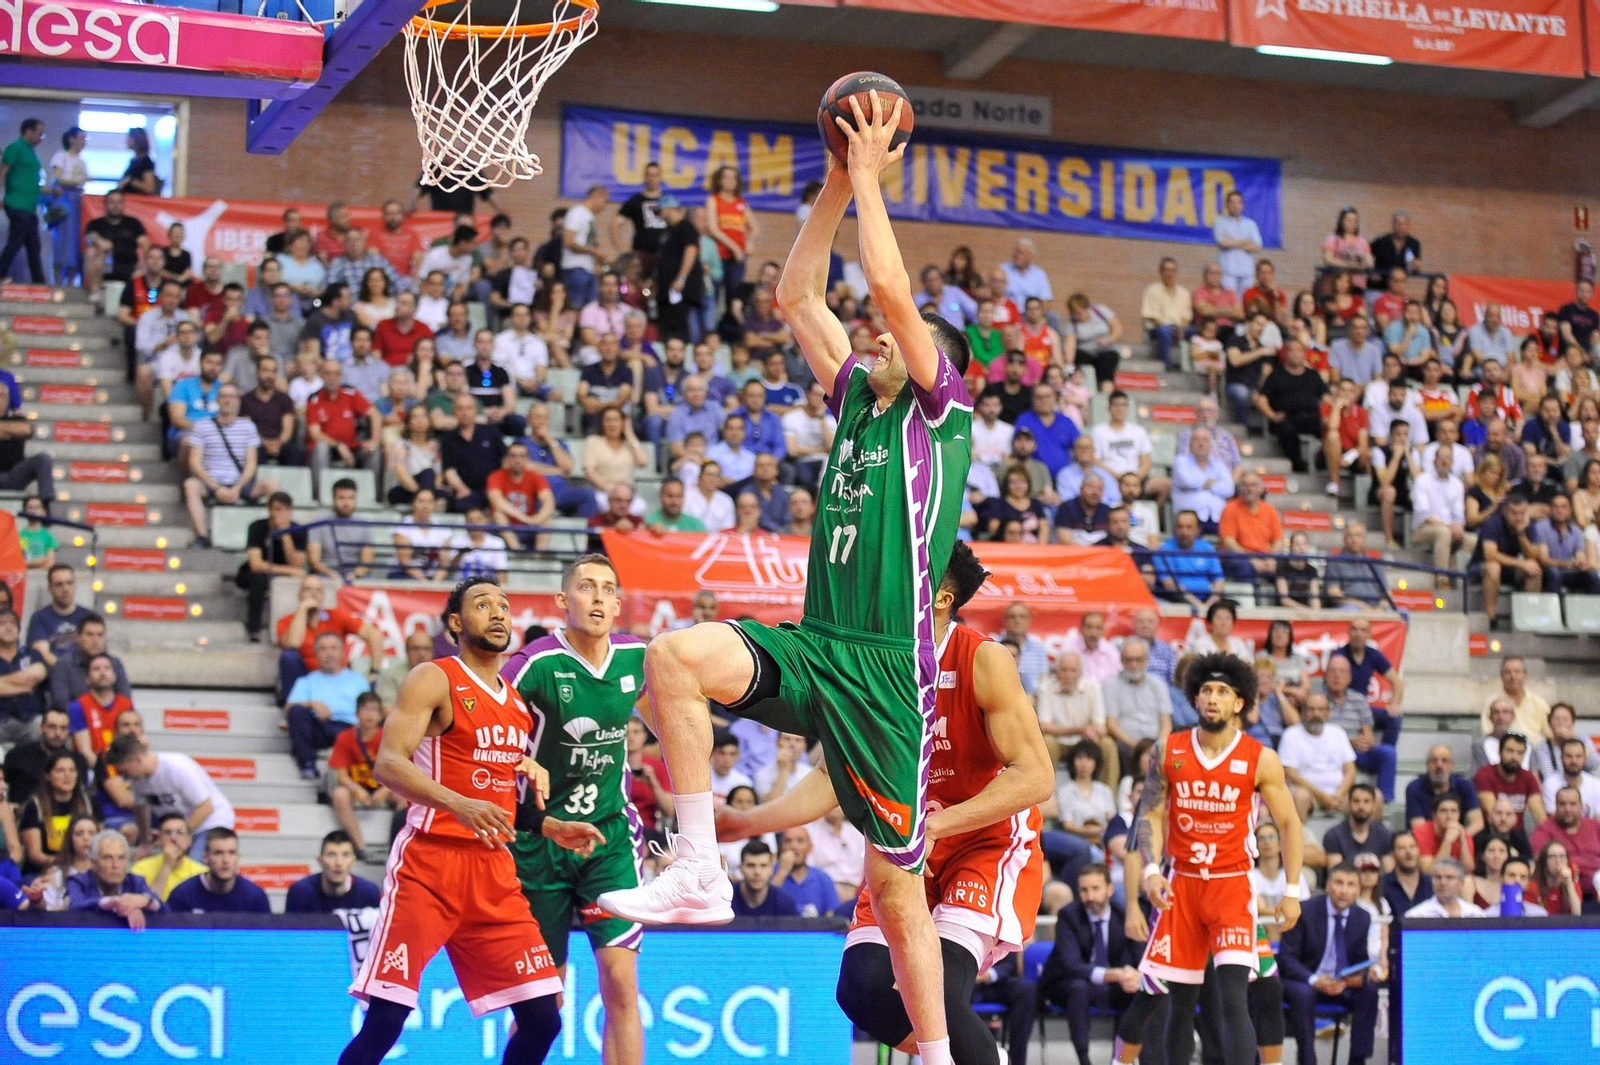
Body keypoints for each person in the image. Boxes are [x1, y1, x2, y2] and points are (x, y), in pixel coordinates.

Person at [598, 100, 976, 1064]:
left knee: (897, 888)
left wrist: (872, 175)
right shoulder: (855, 397)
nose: (883, 338)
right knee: (675, 658)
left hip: (892, 676)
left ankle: (933, 1050)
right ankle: (696, 865)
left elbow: (891, 287)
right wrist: (834, 186)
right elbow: (796, 295)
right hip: (819, 645)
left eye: (903, 338)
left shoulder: (940, 414)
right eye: (886, 339)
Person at [718, 539, 1051, 1065]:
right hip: (906, 846)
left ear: (940, 597)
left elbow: (1035, 777)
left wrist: (940, 826)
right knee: (861, 989)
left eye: (908, 574)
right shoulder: (873, 664)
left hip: (982, 842)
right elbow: (833, 777)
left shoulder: (983, 660)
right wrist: (746, 821)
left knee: (938, 993)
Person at [341, 578, 601, 1065]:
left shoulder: (519, 708)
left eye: (504, 606)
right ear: (456, 623)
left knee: (544, 1018)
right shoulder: (433, 677)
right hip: (428, 867)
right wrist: (458, 804)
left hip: (493, 876)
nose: (499, 613)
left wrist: (550, 826)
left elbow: (498, 798)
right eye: (483, 605)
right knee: (385, 1021)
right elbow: (389, 764)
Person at [1112, 654, 1302, 1065]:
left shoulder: (1260, 758)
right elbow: (1151, 813)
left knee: (1234, 996)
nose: (1212, 698)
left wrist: (1291, 891)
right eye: (1206, 691)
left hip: (1232, 884)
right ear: (1196, 698)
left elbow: (1289, 823)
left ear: (1239, 703)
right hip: (1181, 885)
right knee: (1180, 1002)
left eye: (1222, 692)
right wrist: (1149, 870)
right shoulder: (1169, 750)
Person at [497, 556, 648, 1064]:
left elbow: (680, 706)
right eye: (587, 587)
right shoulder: (536, 663)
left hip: (608, 839)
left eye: (608, 589)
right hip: (540, 844)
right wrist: (519, 759)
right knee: (544, 1003)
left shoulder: (639, 658)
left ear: (619, 604)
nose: (599, 597)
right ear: (564, 602)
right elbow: (486, 718)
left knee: (621, 984)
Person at [1039, 862, 1142, 1065]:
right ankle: (1084, 1059)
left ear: (1110, 889)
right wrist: (1116, 974)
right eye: (1084, 890)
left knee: (1137, 991)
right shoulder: (1068, 915)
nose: (1090, 896)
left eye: (1095, 889)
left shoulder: (1124, 917)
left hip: (1112, 985)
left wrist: (1131, 976)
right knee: (1080, 988)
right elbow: (1071, 965)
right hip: (1067, 984)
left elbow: (1137, 958)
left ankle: (1120, 1059)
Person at [1279, 863, 1380, 1065]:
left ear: (1358, 890)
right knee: (1303, 993)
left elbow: (1360, 960)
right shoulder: (1304, 911)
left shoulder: (1362, 917)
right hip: (1307, 980)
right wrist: (1315, 980)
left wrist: (1354, 979)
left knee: (1369, 991)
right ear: (1327, 886)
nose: (1344, 890)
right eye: (1339, 883)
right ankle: (1308, 1059)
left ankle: (1357, 1060)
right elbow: (1286, 959)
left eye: (1351, 885)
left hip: (1340, 982)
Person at [107, 735, 235, 859]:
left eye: (126, 771)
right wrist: (145, 843)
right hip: (182, 824)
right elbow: (141, 808)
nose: (125, 777)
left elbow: (206, 807)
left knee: (194, 864)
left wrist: (181, 834)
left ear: (138, 760)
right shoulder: (138, 780)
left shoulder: (176, 768)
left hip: (211, 821)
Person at [284, 632, 372, 781]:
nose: (329, 653)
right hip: (319, 729)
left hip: (349, 729)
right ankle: (307, 765)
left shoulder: (358, 681)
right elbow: (288, 709)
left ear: (342, 652)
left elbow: (369, 709)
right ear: (316, 654)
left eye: (333, 648)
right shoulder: (306, 681)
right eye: (323, 649)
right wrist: (312, 703)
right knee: (297, 711)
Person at [1278, 692, 1356, 822]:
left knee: (1374, 797)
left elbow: (1350, 770)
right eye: (1311, 709)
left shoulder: (1338, 732)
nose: (1316, 714)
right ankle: (1299, 841)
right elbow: (1290, 774)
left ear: (1328, 712)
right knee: (1301, 797)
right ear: (1303, 711)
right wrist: (1322, 796)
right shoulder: (1291, 735)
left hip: (1339, 794)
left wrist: (1338, 795)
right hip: (1308, 794)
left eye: (1321, 710)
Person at [67, 829, 161, 928]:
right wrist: (114, 903)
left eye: (121, 858)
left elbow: (164, 908)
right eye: (108, 858)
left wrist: (144, 901)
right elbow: (74, 907)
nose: (115, 865)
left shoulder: (136, 881)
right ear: (93, 863)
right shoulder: (78, 881)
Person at [165, 827, 272, 913]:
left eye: (231, 853)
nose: (225, 860)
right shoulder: (182, 895)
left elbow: (267, 937)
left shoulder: (255, 897)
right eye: (218, 853)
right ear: (206, 857)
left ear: (238, 857)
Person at [284, 830, 382, 914]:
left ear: (353, 861)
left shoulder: (369, 893)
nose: (338, 863)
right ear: (320, 861)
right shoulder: (300, 892)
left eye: (345, 855)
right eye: (331, 855)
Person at [0, 118, 45, 283]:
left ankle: (39, 282)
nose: (41, 137)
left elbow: (31, 181)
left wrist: (51, 190)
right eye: (40, 134)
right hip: (16, 203)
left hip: (29, 206)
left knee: (33, 245)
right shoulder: (15, 148)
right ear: (28, 131)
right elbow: (3, 172)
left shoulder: (31, 152)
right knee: (16, 241)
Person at [127, 811, 205, 900]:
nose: (173, 838)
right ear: (159, 840)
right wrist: (166, 865)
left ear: (189, 840)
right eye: (168, 833)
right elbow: (150, 905)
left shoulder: (201, 872)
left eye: (180, 832)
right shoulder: (140, 868)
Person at [1473, 732, 1546, 822]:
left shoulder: (1528, 777)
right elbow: (1493, 814)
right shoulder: (1484, 775)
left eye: (1520, 753)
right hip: (1491, 831)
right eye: (1510, 751)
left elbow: (1539, 813)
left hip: (1518, 833)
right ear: (1499, 752)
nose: (1514, 757)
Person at [1322, 784, 1395, 870]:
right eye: (1356, 801)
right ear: (1349, 804)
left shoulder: (1384, 834)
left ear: (1374, 805)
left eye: (1366, 801)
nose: (1361, 806)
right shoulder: (1334, 835)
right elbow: (1336, 875)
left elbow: (1389, 872)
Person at [1404, 857, 1484, 917]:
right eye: (1438, 877)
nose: (1443, 883)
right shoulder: (1417, 915)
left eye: (1449, 878)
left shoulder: (1475, 914)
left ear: (1461, 883)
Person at [1542, 737, 1600, 817]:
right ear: (1561, 759)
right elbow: (1553, 822)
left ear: (1584, 759)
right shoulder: (1550, 784)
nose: (1574, 761)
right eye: (1569, 756)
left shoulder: (1596, 785)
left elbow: (1598, 821)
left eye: (1578, 756)